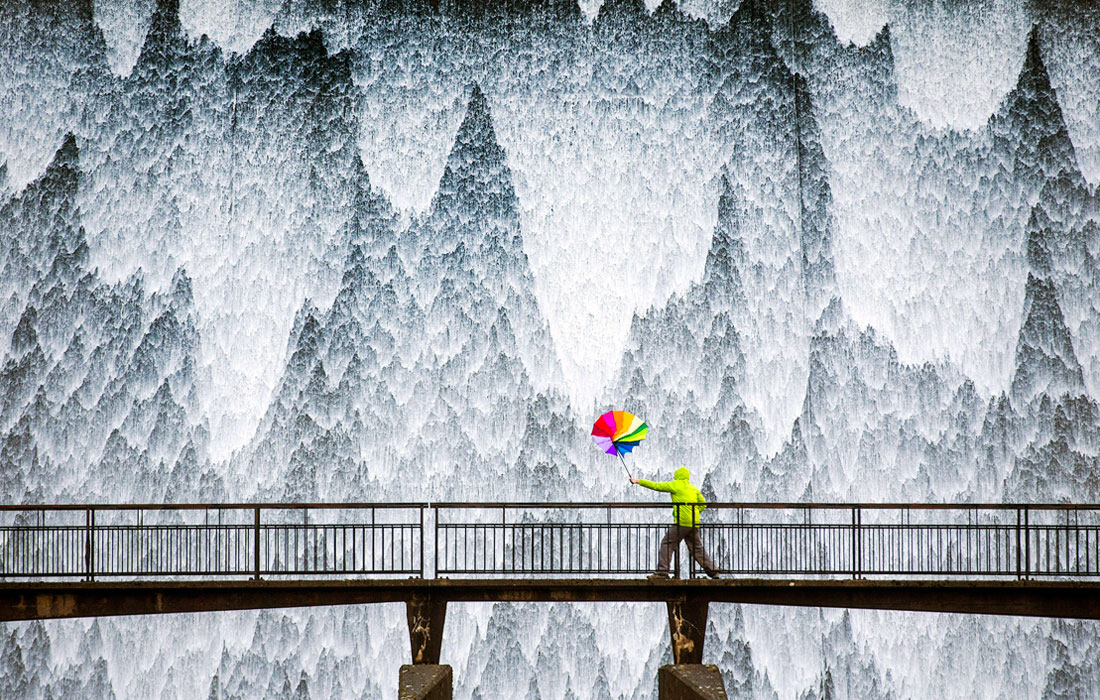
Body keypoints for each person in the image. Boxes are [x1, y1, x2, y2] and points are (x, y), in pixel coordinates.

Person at [631, 467, 720, 579]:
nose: (673, 477)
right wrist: (695, 512)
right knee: (697, 549)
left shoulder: (675, 484)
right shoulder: (692, 487)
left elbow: (656, 486)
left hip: (682, 522)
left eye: (675, 476)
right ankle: (713, 572)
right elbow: (703, 503)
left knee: (667, 543)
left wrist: (638, 481)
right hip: (694, 523)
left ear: (678, 476)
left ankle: (662, 572)